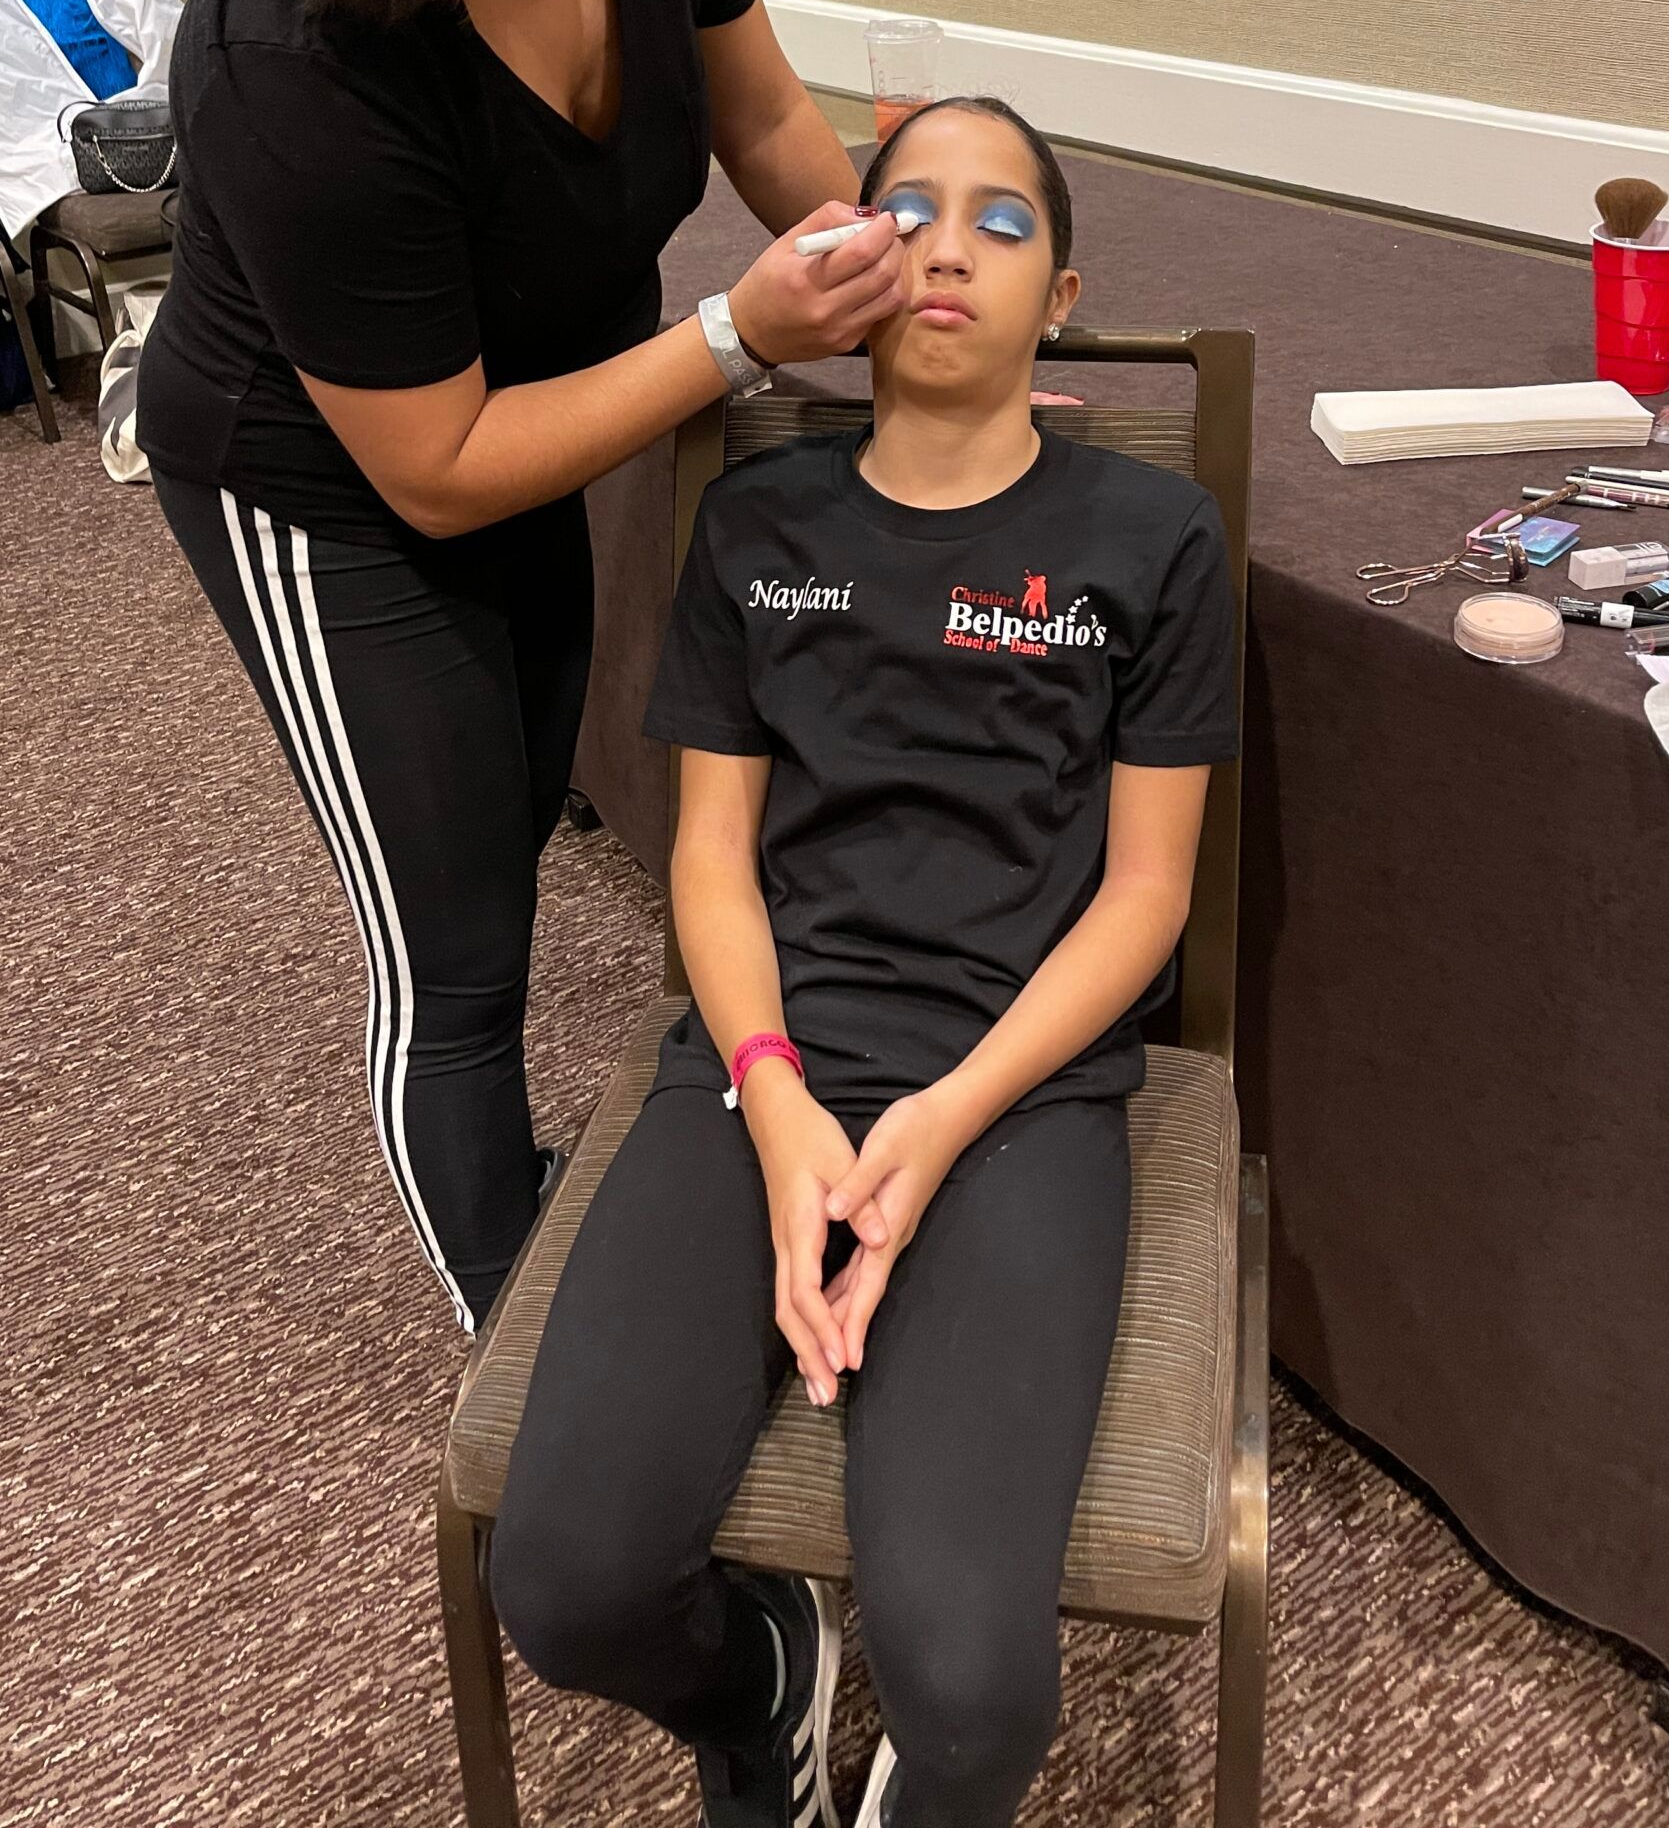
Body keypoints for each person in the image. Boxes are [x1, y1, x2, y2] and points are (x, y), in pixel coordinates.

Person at [136, 0, 908, 1332]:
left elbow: (764, 117)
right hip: (329, 486)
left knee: (530, 766)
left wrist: (902, 286)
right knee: (457, 938)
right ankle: (525, 1360)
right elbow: (442, 467)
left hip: (534, 410)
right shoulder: (300, 50)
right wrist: (741, 335)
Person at [489, 98, 1238, 1828]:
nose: (951, 246)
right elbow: (709, 859)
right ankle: (762, 1681)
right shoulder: (762, 524)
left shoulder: (1151, 538)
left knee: (973, 1693)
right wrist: (773, 1104)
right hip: (761, 1059)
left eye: (1003, 221)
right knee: (571, 1585)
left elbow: (1145, 897)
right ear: (851, 263)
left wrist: (947, 1116)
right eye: (910, 210)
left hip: (1024, 1086)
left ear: (1061, 297)